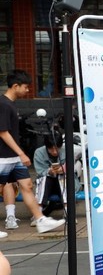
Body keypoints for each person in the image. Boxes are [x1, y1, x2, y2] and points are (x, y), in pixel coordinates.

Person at [0, 70, 65, 234]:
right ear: (15, 86)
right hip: (3, 156)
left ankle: (40, 219)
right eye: (26, 87)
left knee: (27, 185)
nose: (28, 90)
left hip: (14, 157)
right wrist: (21, 153)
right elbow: (3, 132)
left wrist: (18, 154)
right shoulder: (4, 104)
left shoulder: (11, 104)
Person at [33, 134, 81, 220]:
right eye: (51, 149)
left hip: (64, 183)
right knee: (43, 179)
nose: (55, 152)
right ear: (46, 147)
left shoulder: (67, 150)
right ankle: (38, 214)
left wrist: (63, 170)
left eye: (57, 148)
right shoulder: (39, 152)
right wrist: (50, 171)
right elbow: (40, 172)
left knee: (63, 178)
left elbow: (72, 168)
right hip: (47, 185)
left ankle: (68, 212)